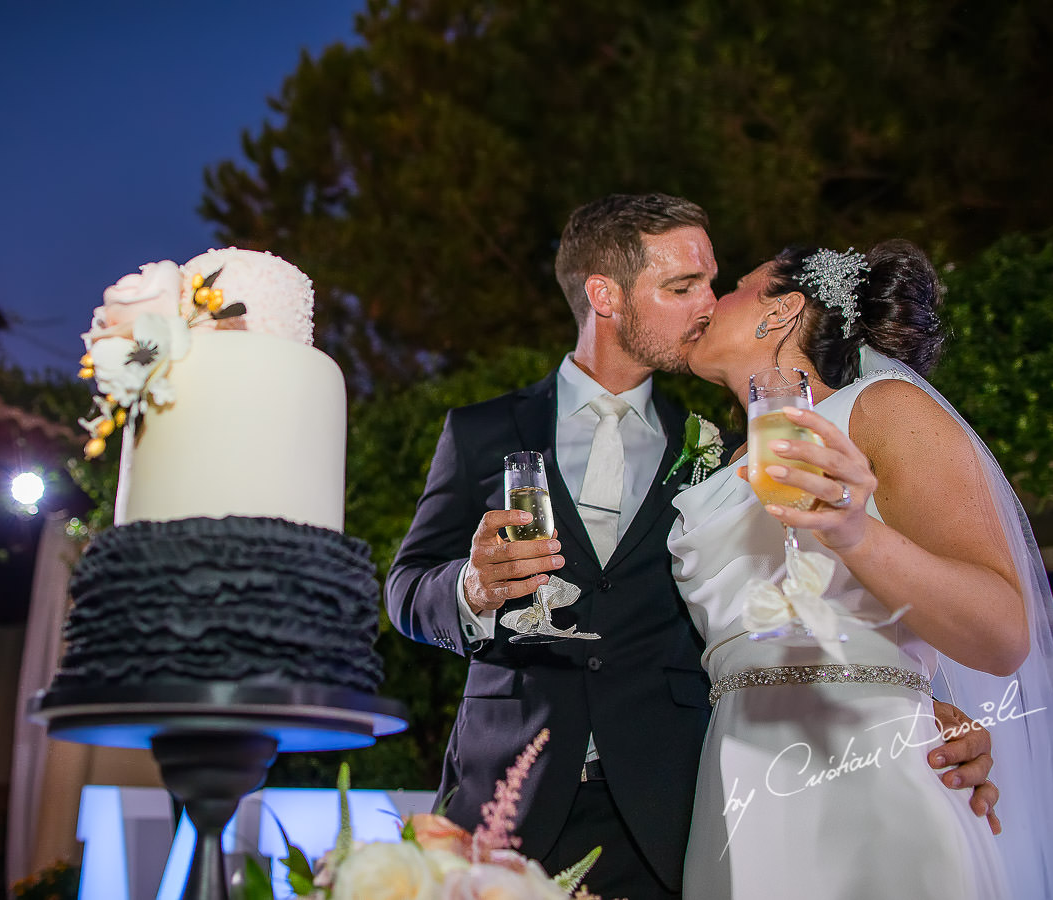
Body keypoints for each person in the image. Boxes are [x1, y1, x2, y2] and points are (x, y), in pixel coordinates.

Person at [384, 194, 999, 898]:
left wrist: (919, 702)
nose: (707, 303)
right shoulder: (480, 431)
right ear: (604, 295)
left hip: (673, 811)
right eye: (682, 288)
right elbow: (404, 591)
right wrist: (472, 588)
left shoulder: (726, 450)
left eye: (716, 283)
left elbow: (796, 595)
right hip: (506, 800)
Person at [669, 240, 1053, 898]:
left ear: (781, 311)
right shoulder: (722, 460)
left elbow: (1002, 632)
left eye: (734, 287)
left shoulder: (881, 409)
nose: (709, 303)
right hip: (740, 781)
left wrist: (853, 531)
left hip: (872, 787)